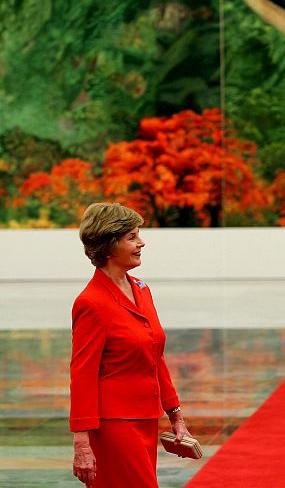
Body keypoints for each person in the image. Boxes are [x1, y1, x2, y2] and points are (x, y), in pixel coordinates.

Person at [70, 203, 192, 487]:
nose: (141, 243)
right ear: (109, 246)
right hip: (114, 425)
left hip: (146, 419)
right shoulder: (91, 302)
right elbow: (82, 374)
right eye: (132, 237)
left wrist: (175, 413)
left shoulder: (141, 289)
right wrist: (81, 440)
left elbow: (155, 355)